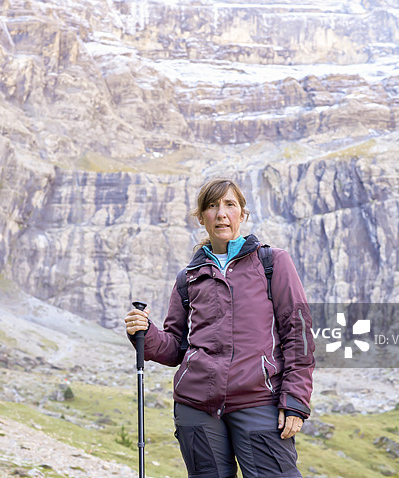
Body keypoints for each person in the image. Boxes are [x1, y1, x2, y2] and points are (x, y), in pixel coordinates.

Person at [125, 178, 315, 478]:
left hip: (259, 401)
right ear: (201, 217)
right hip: (196, 405)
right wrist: (146, 333)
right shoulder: (188, 277)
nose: (221, 213)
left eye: (229, 205)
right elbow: (176, 347)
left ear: (243, 214)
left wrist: (295, 401)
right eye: (212, 206)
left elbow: (298, 334)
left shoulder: (272, 262)